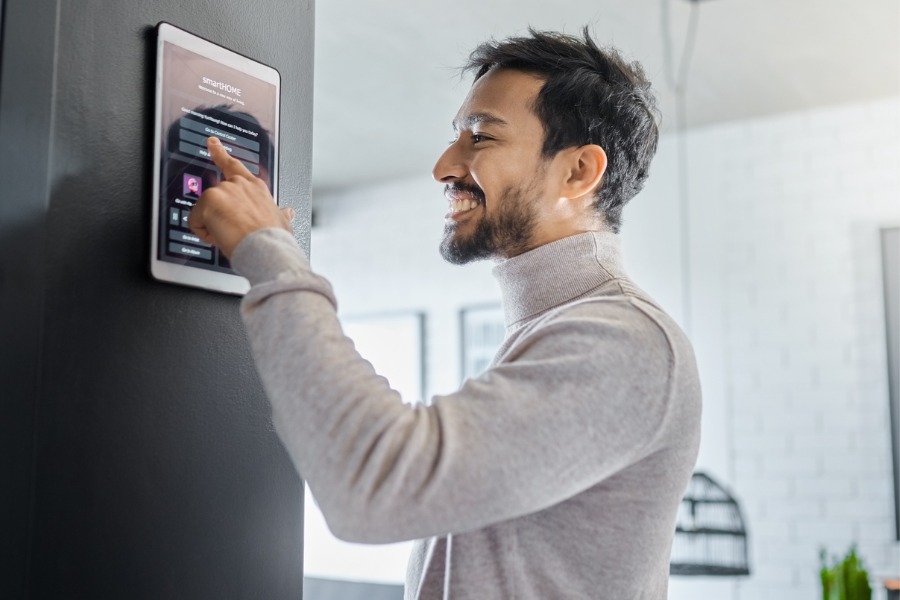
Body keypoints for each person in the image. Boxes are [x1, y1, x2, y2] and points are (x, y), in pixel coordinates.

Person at [189, 28, 701, 600]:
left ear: (579, 172)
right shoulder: (557, 330)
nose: (443, 166)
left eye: (480, 137)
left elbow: (376, 487)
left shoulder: (625, 342)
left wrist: (269, 251)